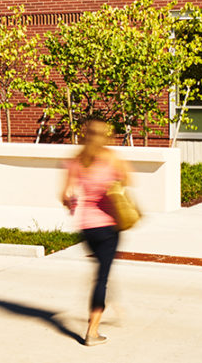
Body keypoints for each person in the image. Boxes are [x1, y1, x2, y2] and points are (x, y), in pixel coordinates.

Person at [60, 118, 131, 346]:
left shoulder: (76, 161)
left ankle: (107, 300)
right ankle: (92, 331)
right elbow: (128, 179)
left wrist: (72, 202)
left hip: (86, 228)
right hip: (109, 226)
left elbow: (64, 196)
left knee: (101, 271)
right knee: (102, 277)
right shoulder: (111, 158)